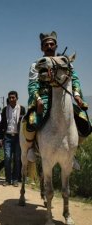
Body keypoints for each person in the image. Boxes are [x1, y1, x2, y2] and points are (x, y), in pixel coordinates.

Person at [24, 31, 91, 165]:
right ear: (42, 48)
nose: (49, 46)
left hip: (62, 98)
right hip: (43, 97)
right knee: (31, 122)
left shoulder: (65, 62)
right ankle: (32, 148)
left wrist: (77, 95)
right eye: (46, 44)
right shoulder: (37, 64)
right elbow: (32, 84)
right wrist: (37, 99)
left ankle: (73, 151)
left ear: (56, 46)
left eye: (51, 44)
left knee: (85, 123)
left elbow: (75, 79)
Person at [0, 91, 26, 187]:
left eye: (13, 97)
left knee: (17, 159)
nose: (11, 99)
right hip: (7, 137)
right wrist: (1, 138)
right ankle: (7, 179)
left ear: (17, 98)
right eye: (10, 97)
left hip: (18, 137)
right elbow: (2, 123)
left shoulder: (22, 109)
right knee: (7, 158)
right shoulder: (5, 109)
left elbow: (24, 124)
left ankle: (15, 179)